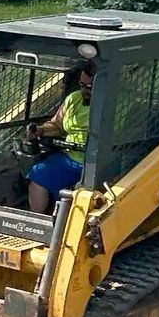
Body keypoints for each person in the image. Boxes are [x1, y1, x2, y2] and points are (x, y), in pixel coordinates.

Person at [27, 59, 96, 213]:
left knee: (83, 191)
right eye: (82, 85)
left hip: (97, 162)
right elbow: (57, 126)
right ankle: (35, 220)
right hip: (69, 157)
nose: (84, 90)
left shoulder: (117, 104)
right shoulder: (74, 99)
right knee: (39, 172)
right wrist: (40, 130)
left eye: (89, 87)